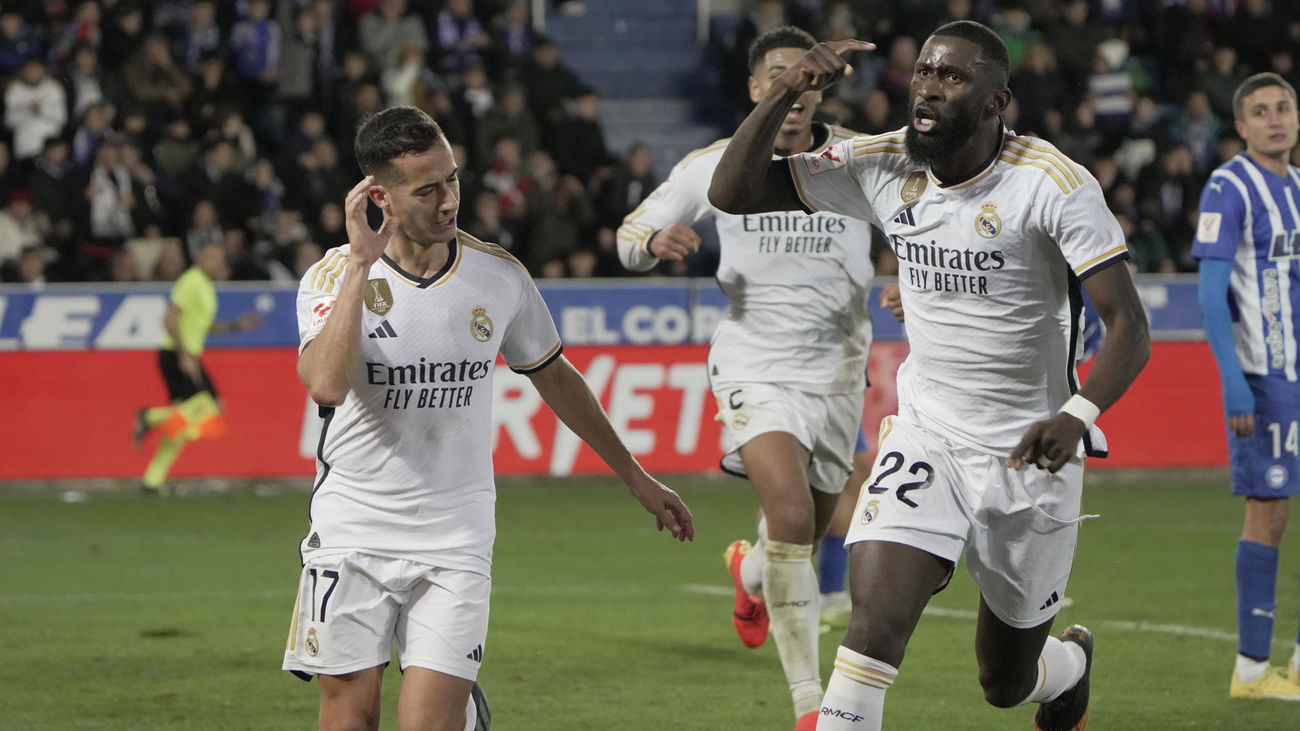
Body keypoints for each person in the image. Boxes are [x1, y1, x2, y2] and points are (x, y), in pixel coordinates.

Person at [708, 21, 1150, 730]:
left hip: (1030, 452)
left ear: (995, 101)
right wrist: (789, 91)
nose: (928, 89)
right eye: (922, 74)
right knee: (871, 630)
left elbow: (1129, 324)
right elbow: (732, 191)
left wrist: (1078, 415)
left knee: (1003, 680)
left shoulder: (1054, 184)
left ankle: (1066, 669)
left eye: (950, 78)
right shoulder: (879, 163)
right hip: (927, 436)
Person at [282, 106, 694, 731]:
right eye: (426, 189)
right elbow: (327, 385)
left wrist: (636, 476)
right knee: (346, 721)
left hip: (457, 535)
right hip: (353, 529)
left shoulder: (498, 275)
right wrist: (363, 264)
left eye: (451, 179)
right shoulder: (334, 276)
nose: (448, 200)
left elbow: (554, 374)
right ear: (378, 197)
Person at [616, 26, 890, 730]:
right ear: (753, 88)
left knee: (818, 524)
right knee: (795, 519)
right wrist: (652, 241)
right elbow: (627, 237)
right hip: (754, 361)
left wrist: (911, 284)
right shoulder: (714, 166)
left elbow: (920, 228)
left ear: (821, 86)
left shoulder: (856, 161)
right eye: (776, 76)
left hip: (837, 371)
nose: (791, 90)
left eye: (803, 76)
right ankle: (811, 706)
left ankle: (748, 573)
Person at [1193, 71, 1300, 701]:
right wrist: (1234, 383)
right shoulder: (1228, 186)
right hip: (1265, 377)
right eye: (1260, 111)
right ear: (1241, 126)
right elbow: (1210, 294)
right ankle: (1253, 673)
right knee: (1269, 512)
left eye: (1284, 107)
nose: (1275, 119)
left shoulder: (1297, 188)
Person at [133, 241, 262, 493]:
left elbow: (205, 325)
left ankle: (152, 481)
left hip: (184, 354)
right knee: (211, 408)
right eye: (210, 257)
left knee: (180, 424)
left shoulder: (204, 286)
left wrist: (236, 326)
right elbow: (169, 318)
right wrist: (184, 355)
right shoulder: (190, 282)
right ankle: (148, 417)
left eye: (218, 259)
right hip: (177, 354)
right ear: (199, 258)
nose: (215, 263)